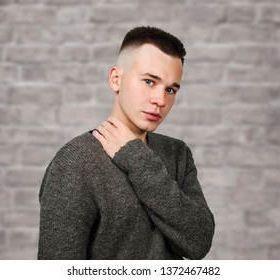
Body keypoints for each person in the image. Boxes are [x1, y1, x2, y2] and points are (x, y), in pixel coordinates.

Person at [37, 26, 215, 260]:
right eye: (150, 82)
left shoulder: (177, 154)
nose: (160, 100)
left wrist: (134, 156)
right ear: (115, 79)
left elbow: (198, 242)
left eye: (171, 89)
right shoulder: (75, 162)